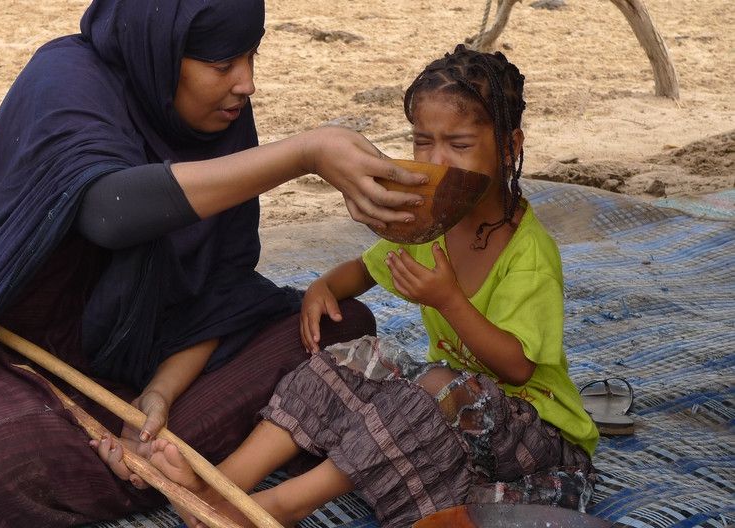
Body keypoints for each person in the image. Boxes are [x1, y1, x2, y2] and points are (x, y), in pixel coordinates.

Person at [0, 1, 429, 526]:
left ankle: (159, 464)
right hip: (16, 368)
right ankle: (185, 467)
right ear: (159, 49)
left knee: (338, 328)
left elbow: (218, 292)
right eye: (222, 64)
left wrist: (158, 395)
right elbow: (110, 212)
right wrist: (302, 154)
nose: (246, 83)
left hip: (155, 365)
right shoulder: (64, 78)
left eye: (251, 56)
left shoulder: (222, 115)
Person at [108, 45, 599, 527]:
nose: (438, 160)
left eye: (460, 144)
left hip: (535, 437)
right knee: (347, 360)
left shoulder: (529, 254)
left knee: (419, 397)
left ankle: (279, 507)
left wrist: (449, 301)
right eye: (423, 142)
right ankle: (222, 485)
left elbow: (516, 367)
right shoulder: (435, 221)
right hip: (454, 412)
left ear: (510, 147)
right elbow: (365, 268)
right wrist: (324, 286)